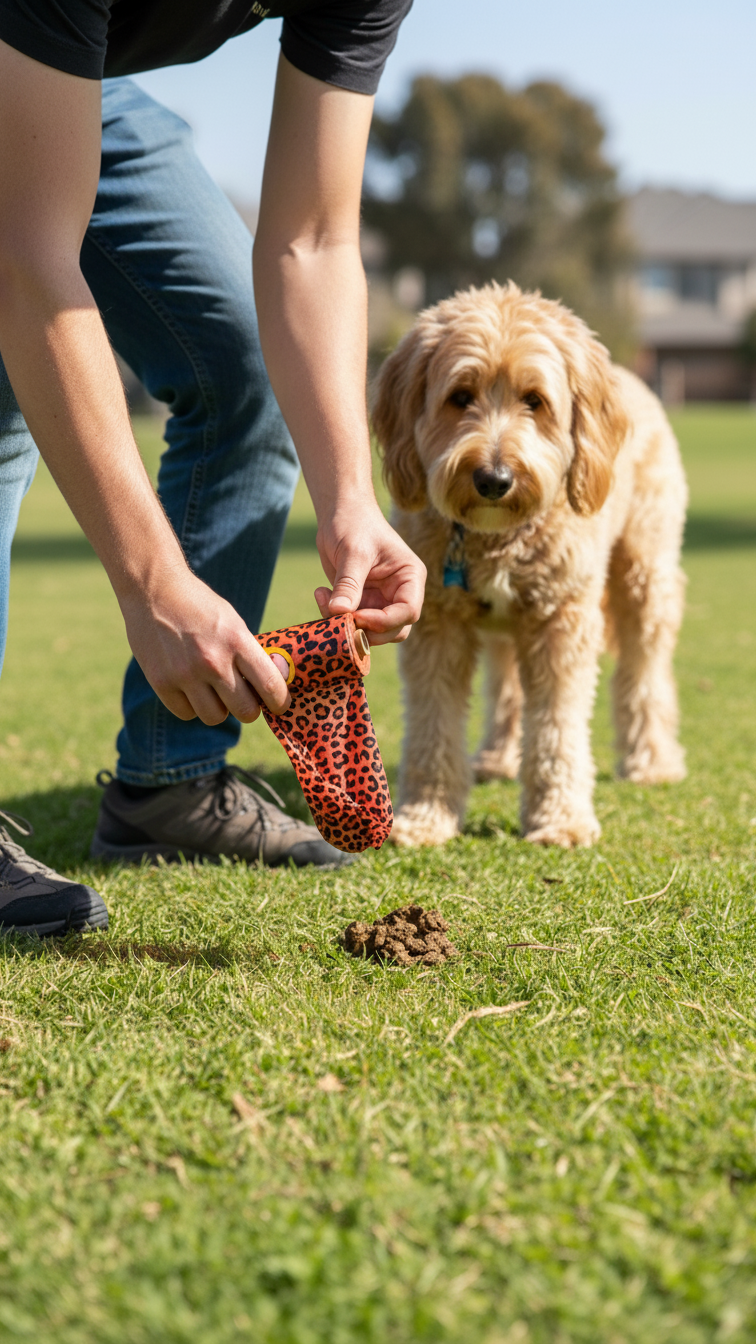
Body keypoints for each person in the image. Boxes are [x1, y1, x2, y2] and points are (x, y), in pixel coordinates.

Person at [0, 1, 426, 936]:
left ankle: (171, 781)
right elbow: (27, 262)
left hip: (74, 84)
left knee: (243, 359)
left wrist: (350, 498)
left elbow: (313, 241)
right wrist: (152, 582)